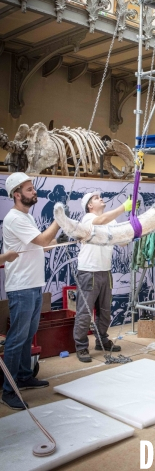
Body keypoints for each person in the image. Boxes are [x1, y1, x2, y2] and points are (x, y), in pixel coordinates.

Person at [1, 172, 63, 410]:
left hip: (34, 284)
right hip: (22, 287)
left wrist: (57, 240)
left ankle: (25, 376)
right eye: (28, 190)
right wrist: (60, 220)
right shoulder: (15, 218)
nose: (34, 192)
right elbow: (43, 241)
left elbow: (40, 246)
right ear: (16, 195)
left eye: (33, 188)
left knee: (28, 336)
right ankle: (9, 390)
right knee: (17, 339)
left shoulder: (26, 218)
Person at [74, 191, 132, 363]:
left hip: (105, 271)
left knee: (105, 311)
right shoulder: (87, 219)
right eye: (95, 198)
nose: (100, 198)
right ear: (90, 206)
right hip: (88, 271)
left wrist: (134, 229)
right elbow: (99, 221)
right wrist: (123, 207)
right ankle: (81, 346)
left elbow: (122, 241)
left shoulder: (111, 221)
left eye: (100, 196)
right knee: (84, 313)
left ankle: (102, 340)